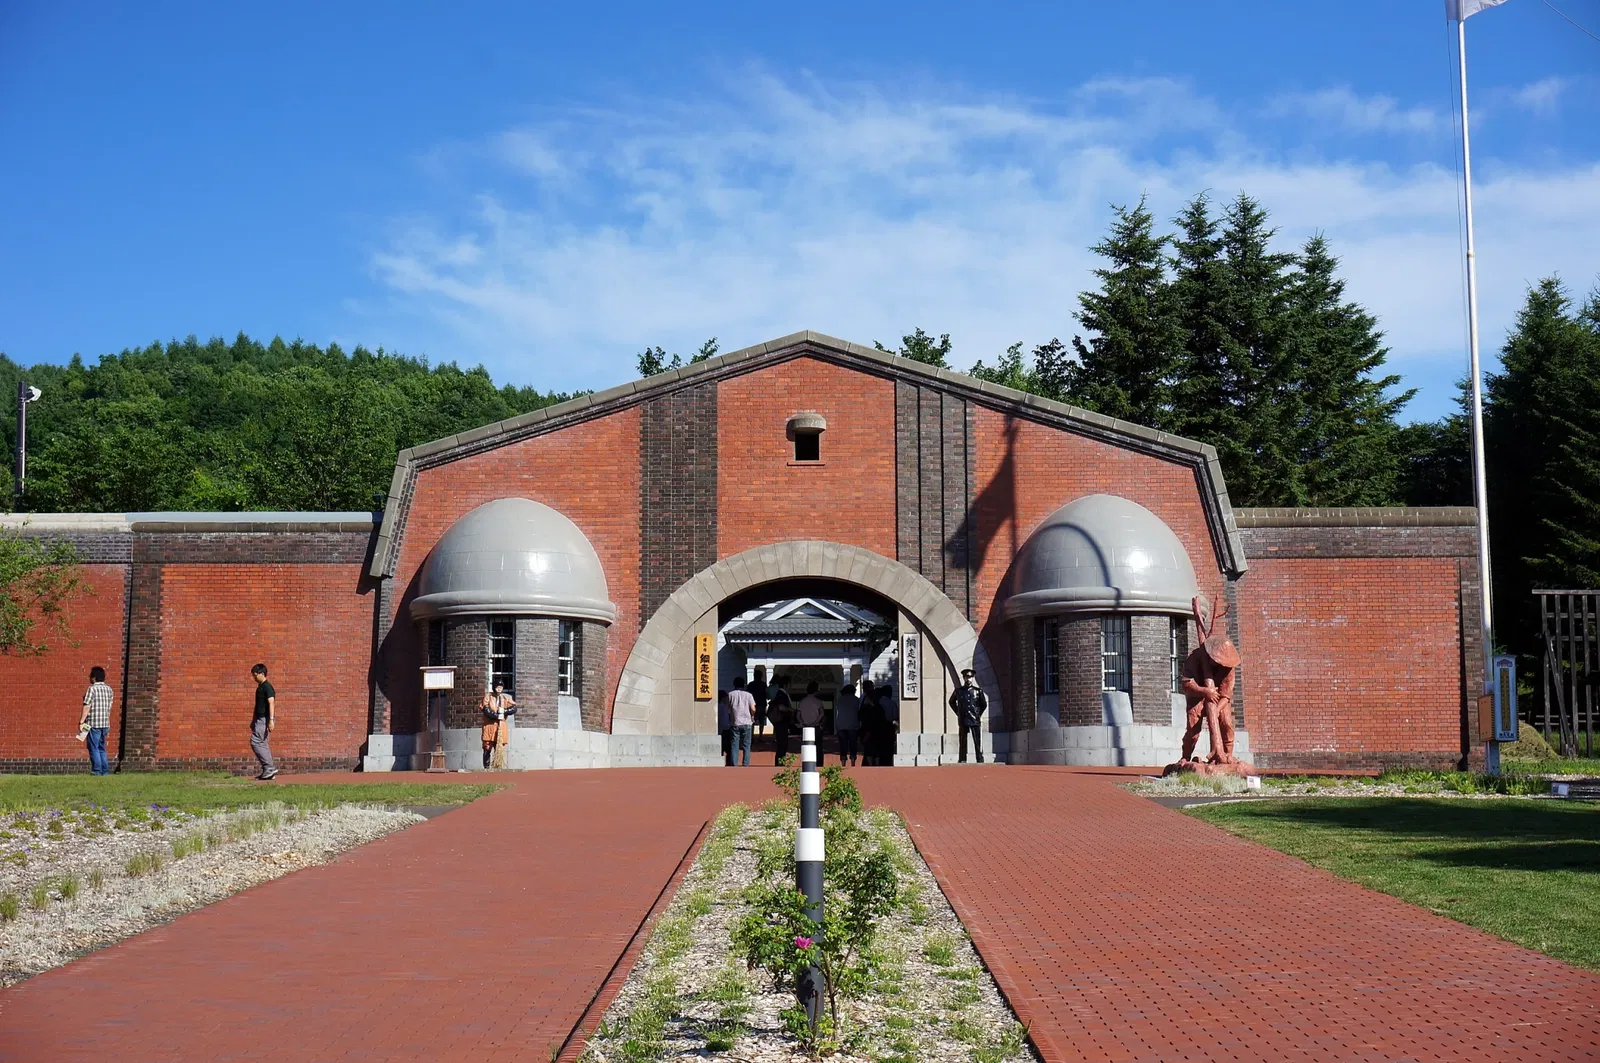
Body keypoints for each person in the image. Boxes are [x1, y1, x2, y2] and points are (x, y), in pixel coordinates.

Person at [78, 666, 114, 776]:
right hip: (105, 723)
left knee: (93, 747)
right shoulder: (109, 689)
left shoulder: (92, 689)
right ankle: (104, 771)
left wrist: (81, 721)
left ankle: (96, 770)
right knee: (102, 748)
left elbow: (87, 705)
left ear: (94, 678)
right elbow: (109, 707)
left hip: (93, 723)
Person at [949, 668, 988, 764]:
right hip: (963, 718)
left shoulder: (978, 691)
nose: (969, 679)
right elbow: (951, 702)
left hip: (974, 718)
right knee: (962, 741)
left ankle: (979, 758)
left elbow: (984, 704)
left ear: (973, 678)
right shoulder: (959, 691)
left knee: (977, 740)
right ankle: (962, 758)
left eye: (970, 677)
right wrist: (959, 712)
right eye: (967, 677)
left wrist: (978, 713)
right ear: (964, 678)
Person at [250, 664, 278, 781]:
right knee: (263, 744)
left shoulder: (267, 687)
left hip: (264, 720)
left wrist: (271, 720)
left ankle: (269, 768)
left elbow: (271, 702)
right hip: (259, 719)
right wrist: (253, 720)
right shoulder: (260, 687)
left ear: (262, 673)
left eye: (255, 675)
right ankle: (268, 770)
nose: (254, 678)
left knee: (256, 742)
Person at [481, 680, 517, 768]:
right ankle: (486, 766)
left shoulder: (505, 698)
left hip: (501, 726)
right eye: (497, 686)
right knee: (487, 746)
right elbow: (485, 709)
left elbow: (514, 708)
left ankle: (498, 765)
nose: (499, 688)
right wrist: (496, 715)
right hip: (490, 725)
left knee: (499, 746)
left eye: (501, 687)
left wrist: (504, 711)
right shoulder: (488, 697)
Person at [726, 678, 756, 767]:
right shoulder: (749, 695)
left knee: (734, 744)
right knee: (746, 745)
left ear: (734, 684)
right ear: (744, 685)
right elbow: (753, 708)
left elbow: (727, 709)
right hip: (747, 722)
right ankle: (745, 763)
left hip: (735, 722)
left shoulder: (730, 695)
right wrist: (752, 715)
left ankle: (734, 763)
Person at [833, 680, 861, 767]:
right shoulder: (856, 700)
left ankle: (843, 761)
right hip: (853, 724)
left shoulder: (840, 699)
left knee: (843, 745)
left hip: (841, 724)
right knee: (853, 744)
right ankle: (853, 760)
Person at [796, 681, 826, 764]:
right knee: (818, 746)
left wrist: (802, 723)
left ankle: (807, 763)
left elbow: (798, 715)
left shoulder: (802, 702)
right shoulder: (818, 701)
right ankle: (819, 763)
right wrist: (815, 722)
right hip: (816, 726)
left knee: (806, 746)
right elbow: (822, 713)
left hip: (805, 727)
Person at [768, 675, 794, 764]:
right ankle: (780, 763)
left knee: (782, 744)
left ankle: (780, 762)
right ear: (786, 685)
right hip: (781, 722)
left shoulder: (780, 694)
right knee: (782, 744)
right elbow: (781, 707)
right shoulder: (782, 695)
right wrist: (791, 710)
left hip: (781, 722)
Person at [717, 689, 732, 765]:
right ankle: (728, 764)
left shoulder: (718, 706)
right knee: (728, 749)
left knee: (721, 749)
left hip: (720, 730)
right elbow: (724, 719)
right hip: (725, 730)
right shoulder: (723, 707)